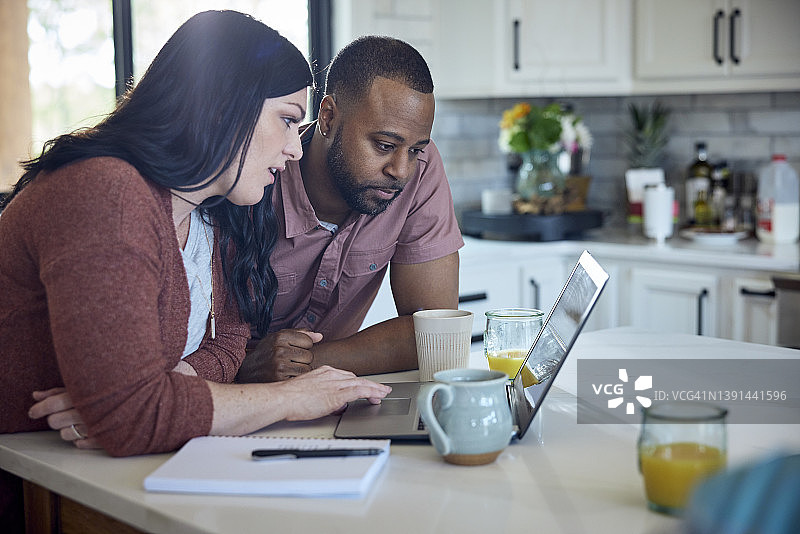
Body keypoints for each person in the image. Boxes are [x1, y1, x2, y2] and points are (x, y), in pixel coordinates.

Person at [0, 10, 389, 530]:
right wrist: (289, 399)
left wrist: (162, 390)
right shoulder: (107, 194)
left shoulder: (208, 210)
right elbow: (132, 420)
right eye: (287, 120)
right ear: (223, 105)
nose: (295, 150)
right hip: (24, 483)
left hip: (90, 469)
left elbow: (230, 342)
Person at [237, 35, 464, 383]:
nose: (401, 170)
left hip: (331, 392)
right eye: (384, 145)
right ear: (328, 117)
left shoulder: (419, 169)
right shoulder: (254, 177)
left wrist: (302, 363)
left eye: (415, 150)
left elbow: (436, 334)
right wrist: (248, 367)